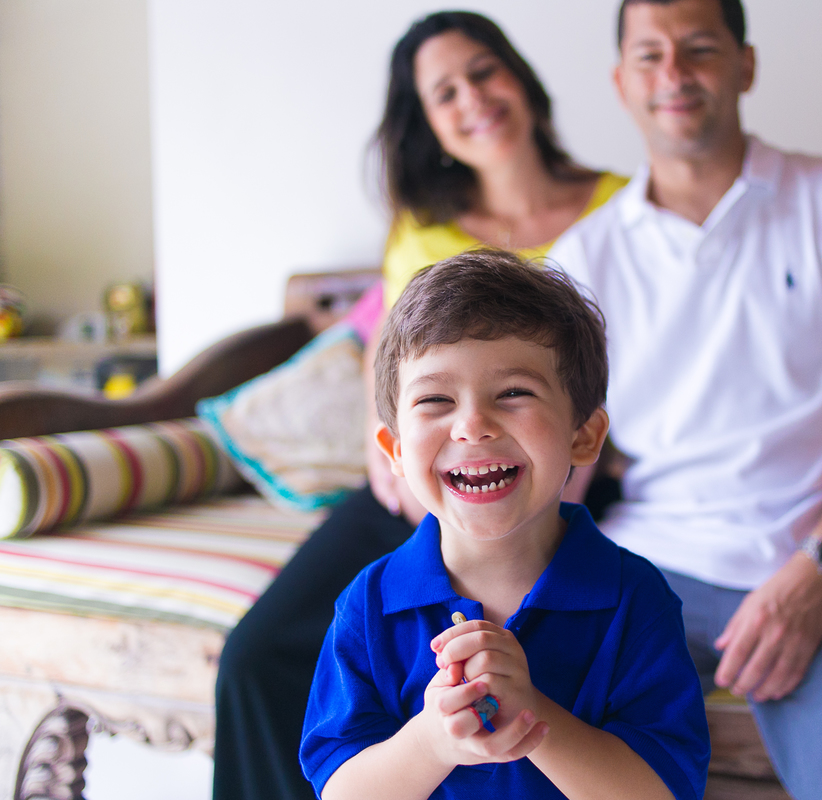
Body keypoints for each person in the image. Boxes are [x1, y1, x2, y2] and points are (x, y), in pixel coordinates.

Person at [547, 1, 822, 798]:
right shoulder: (586, 255)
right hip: (653, 560)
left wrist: (821, 567)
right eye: (649, 56)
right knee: (512, 751)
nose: (675, 75)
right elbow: (561, 446)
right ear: (621, 83)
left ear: (746, 65)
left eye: (699, 49)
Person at [213, 12, 626, 799]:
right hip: (417, 493)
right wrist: (404, 471)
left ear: (522, 80)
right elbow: (390, 364)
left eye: (484, 71)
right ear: (428, 124)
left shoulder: (620, 208)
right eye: (444, 92)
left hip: (560, 476)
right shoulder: (422, 229)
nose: (473, 97)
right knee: (254, 655)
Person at [300, 250, 709, 800]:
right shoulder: (370, 605)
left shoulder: (635, 599)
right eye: (436, 399)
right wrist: (431, 743)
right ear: (394, 451)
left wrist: (535, 717)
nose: (472, 425)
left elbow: (662, 790)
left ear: (584, 435)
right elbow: (342, 790)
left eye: (514, 392)